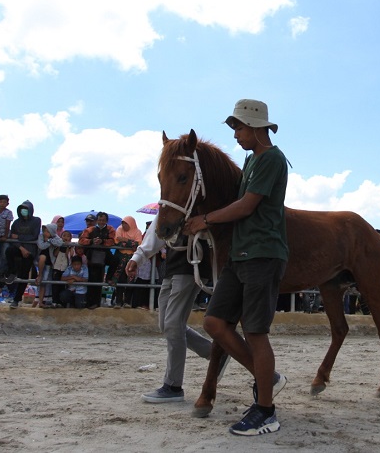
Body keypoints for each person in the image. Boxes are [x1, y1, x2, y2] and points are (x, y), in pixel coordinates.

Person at [184, 98, 288, 436]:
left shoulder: (272, 159)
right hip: (240, 256)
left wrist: (205, 219)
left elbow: (246, 206)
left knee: (256, 333)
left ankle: (266, 410)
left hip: (262, 254)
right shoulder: (252, 159)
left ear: (257, 127)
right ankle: (266, 379)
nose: (236, 135)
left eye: (239, 128)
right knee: (214, 322)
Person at [127, 216, 224, 403]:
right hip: (173, 265)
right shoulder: (173, 200)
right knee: (166, 324)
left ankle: (173, 385)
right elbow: (159, 225)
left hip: (193, 263)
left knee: (172, 324)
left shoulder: (199, 200)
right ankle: (215, 352)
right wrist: (138, 256)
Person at [78, 212, 119, 309]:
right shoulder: (90, 229)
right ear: (97, 220)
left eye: (103, 220)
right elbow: (81, 240)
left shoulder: (110, 229)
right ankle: (90, 303)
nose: (101, 222)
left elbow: (113, 241)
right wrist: (92, 241)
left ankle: (108, 278)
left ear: (106, 221)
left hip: (105, 254)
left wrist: (102, 241)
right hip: (92, 255)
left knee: (115, 261)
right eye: (100, 220)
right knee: (93, 278)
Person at [5, 200, 42, 308]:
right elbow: (12, 237)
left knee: (24, 275)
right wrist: (21, 247)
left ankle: (16, 300)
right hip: (19, 248)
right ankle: (11, 273)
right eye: (22, 209)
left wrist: (20, 238)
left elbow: (34, 236)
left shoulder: (36, 220)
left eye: (25, 209)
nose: (23, 211)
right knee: (9, 251)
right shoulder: (16, 222)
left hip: (30, 251)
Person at [113, 216, 143, 308]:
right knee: (120, 279)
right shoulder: (119, 229)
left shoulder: (138, 232)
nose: (123, 225)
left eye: (125, 223)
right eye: (122, 223)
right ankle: (118, 302)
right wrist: (131, 243)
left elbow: (138, 244)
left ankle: (127, 302)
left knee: (130, 279)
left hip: (132, 258)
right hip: (121, 258)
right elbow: (117, 242)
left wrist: (125, 240)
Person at [34, 223, 63, 307]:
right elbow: (41, 246)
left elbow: (60, 242)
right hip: (41, 262)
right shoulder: (41, 236)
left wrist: (49, 240)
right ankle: (39, 301)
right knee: (41, 279)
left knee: (46, 281)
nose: (45, 233)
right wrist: (50, 243)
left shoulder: (55, 237)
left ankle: (42, 301)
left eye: (47, 231)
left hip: (50, 263)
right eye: (45, 231)